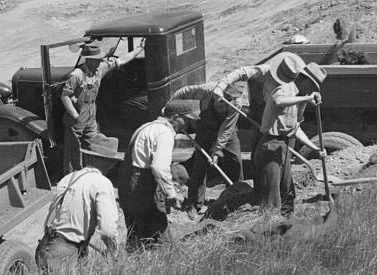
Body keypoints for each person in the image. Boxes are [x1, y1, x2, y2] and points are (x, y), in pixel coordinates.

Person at [213, 52, 327, 215]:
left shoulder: (300, 97)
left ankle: (288, 226)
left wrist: (315, 148)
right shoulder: (284, 87)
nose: (312, 90)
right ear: (304, 79)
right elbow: (278, 101)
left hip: (284, 145)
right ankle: (266, 229)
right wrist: (220, 86)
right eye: (312, 86)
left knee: (288, 191)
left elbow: (295, 128)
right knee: (271, 199)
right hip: (271, 144)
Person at [35, 136, 122, 274]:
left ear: (87, 158)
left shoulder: (69, 178)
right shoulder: (102, 184)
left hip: (47, 246)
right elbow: (108, 230)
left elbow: (67, 226)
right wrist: (113, 251)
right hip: (66, 253)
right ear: (111, 163)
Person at [60, 40, 145, 174]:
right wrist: (75, 115)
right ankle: (71, 176)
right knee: (73, 150)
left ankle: (94, 171)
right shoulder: (76, 75)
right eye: (97, 59)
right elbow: (65, 96)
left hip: (91, 116)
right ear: (89, 60)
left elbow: (122, 60)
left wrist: (139, 49)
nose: (100, 61)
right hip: (76, 118)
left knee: (95, 144)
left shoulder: (100, 69)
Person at [167, 81, 245, 220]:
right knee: (199, 165)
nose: (223, 102)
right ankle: (194, 204)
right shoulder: (206, 90)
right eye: (222, 98)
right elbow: (183, 91)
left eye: (229, 100)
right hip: (205, 129)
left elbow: (226, 129)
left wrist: (217, 151)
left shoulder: (236, 104)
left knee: (235, 160)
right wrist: (169, 109)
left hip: (227, 131)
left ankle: (236, 199)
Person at [119, 113, 190, 247]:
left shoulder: (148, 127)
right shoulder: (164, 133)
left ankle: (135, 261)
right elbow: (159, 167)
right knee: (159, 236)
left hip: (129, 181)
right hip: (142, 183)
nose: (188, 124)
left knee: (135, 232)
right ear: (174, 117)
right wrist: (172, 194)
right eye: (186, 119)